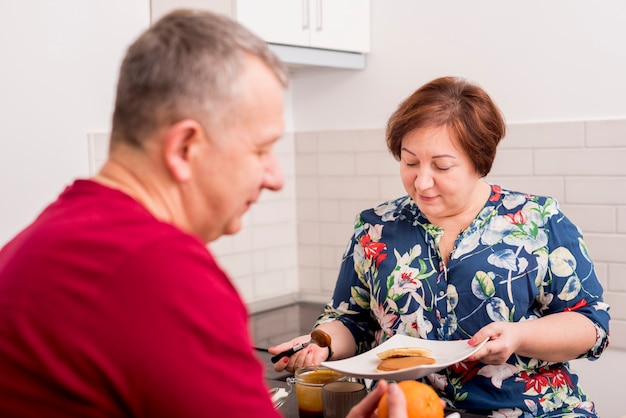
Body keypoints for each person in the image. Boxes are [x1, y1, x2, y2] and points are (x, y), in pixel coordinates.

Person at [0, 9, 409, 418]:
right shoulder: (162, 274)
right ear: (184, 148)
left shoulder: (40, 238)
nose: (275, 177)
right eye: (261, 149)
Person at [271, 76, 611, 416]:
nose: (421, 181)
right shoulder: (376, 226)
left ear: (480, 161)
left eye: (442, 166)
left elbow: (591, 325)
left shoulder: (538, 220)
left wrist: (519, 336)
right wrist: (320, 344)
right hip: (407, 409)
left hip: (532, 410)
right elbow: (352, 321)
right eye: (410, 162)